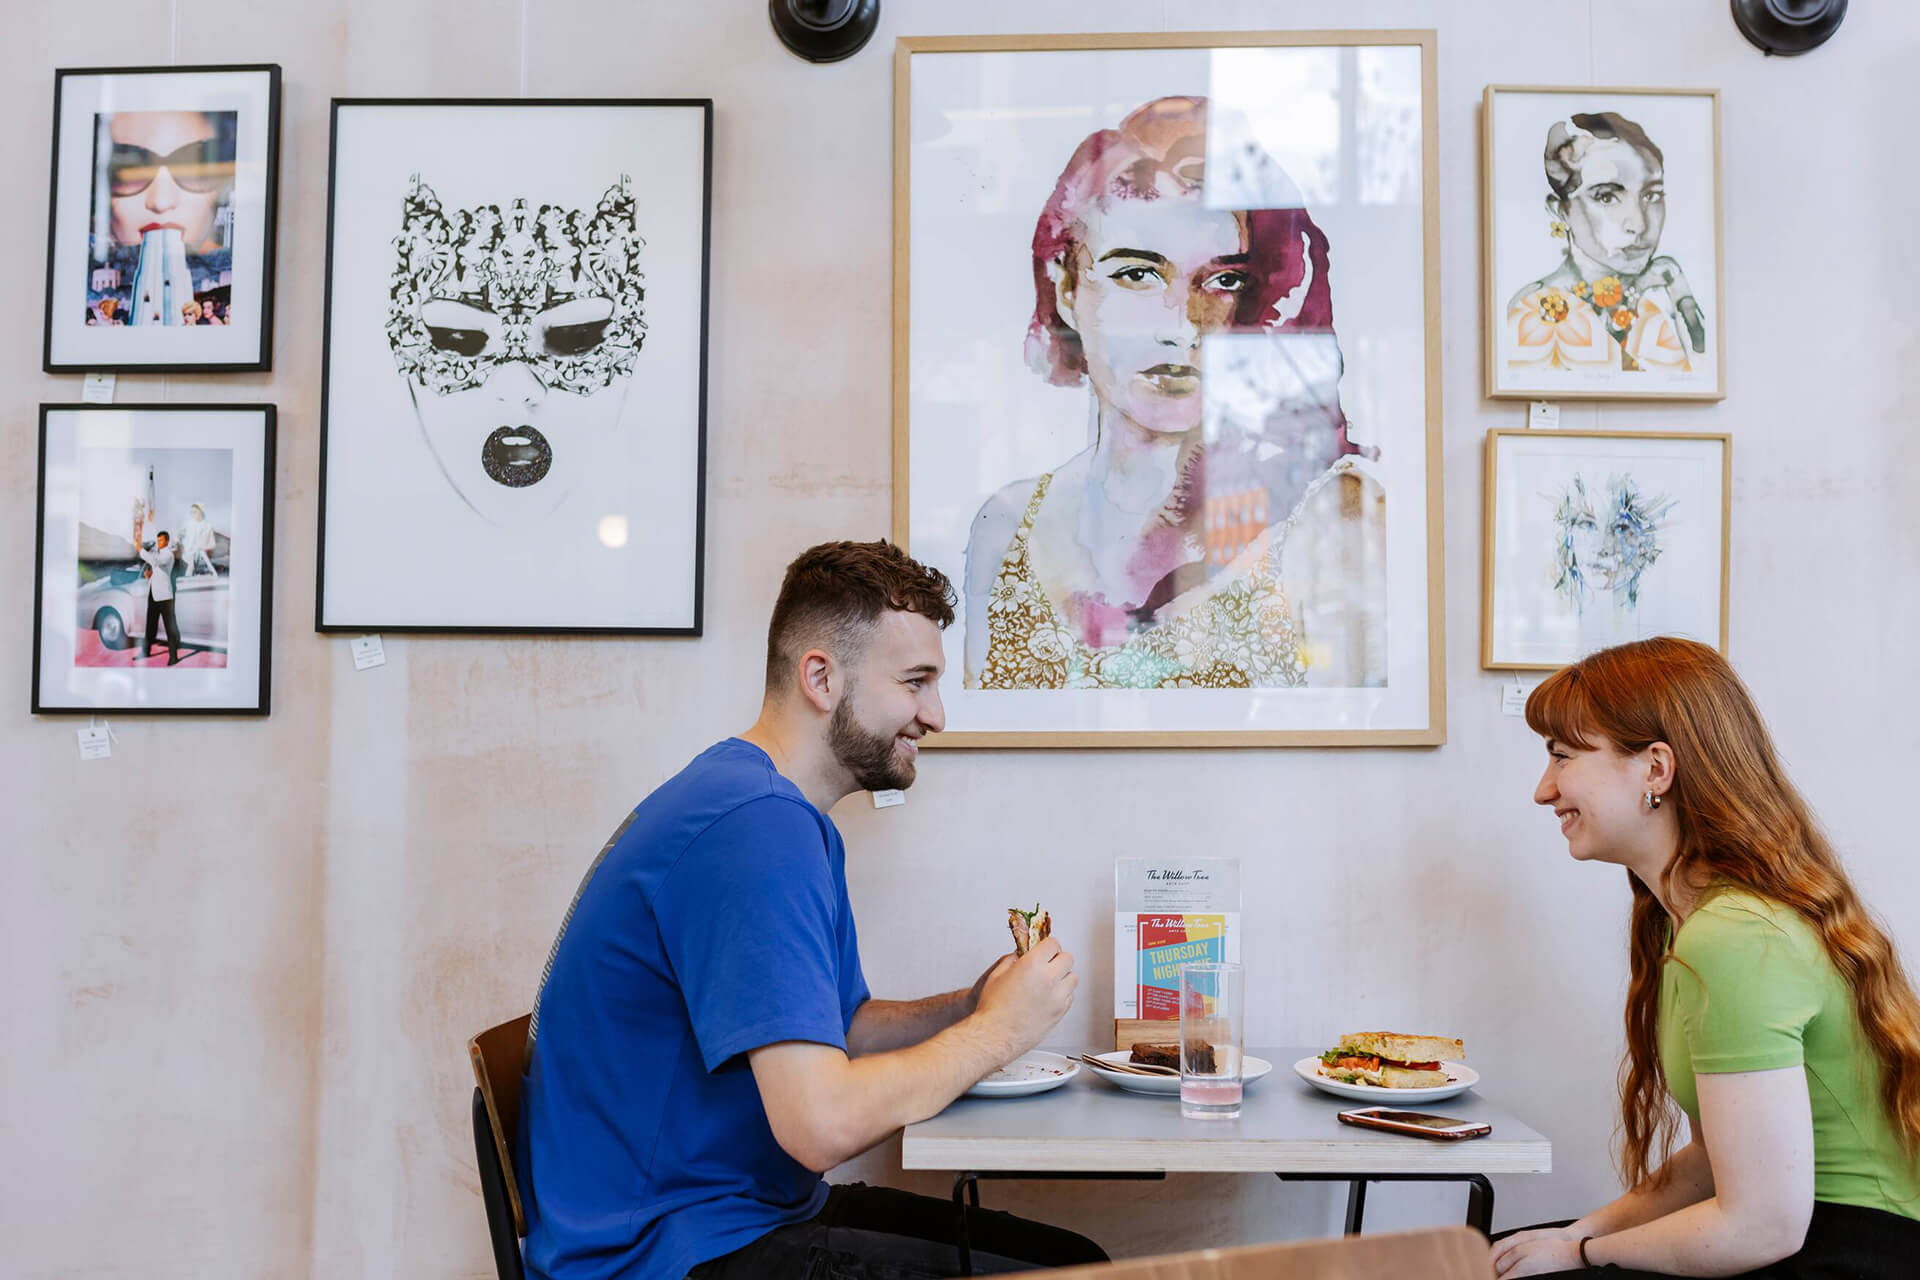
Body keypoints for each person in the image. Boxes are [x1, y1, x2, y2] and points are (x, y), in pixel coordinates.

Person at [517, 540, 1105, 1280]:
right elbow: (821, 1125)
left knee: (1078, 1263)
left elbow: (842, 1029)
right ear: (821, 678)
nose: (937, 715)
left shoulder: (773, 813)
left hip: (736, 1215)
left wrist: (969, 1004)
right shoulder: (755, 829)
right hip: (660, 1254)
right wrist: (1000, 1030)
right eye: (916, 682)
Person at [1496, 637, 1920, 1278]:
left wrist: (1583, 1252)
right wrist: (1576, 1233)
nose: (1543, 790)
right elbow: (1716, 1165)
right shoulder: (1693, 924)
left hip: (1857, 1250)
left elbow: (1761, 1226)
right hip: (1821, 1231)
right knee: (1505, 1250)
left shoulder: (1734, 938)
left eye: (1563, 757)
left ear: (1656, 771)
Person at [964, 95, 1384, 692]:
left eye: (1221, 280)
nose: (1181, 326)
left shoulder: (1325, 515)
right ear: (1066, 291)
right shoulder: (1005, 528)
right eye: (1136, 273)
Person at [1505, 112, 1707, 377]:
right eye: (1607, 197)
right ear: (1560, 211)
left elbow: (1700, 382)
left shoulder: (1665, 287)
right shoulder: (1533, 309)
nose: (1639, 225)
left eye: (1651, 195)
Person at [138, 531, 180, 665]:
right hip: (153, 593)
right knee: (150, 625)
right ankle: (146, 651)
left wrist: (144, 550)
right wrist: (150, 575)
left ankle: (173, 656)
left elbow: (156, 561)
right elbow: (154, 564)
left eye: (161, 541)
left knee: (170, 627)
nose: (159, 543)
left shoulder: (168, 555)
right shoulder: (158, 553)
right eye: (158, 541)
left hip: (165, 596)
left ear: (167, 541)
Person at [180, 503, 217, 577]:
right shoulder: (188, 524)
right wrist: (181, 545)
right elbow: (178, 535)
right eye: (191, 512)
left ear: (201, 511)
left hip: (200, 554)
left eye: (195, 512)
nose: (192, 514)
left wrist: (202, 547)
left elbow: (213, 544)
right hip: (187, 554)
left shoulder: (208, 526)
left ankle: (213, 573)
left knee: (198, 556)